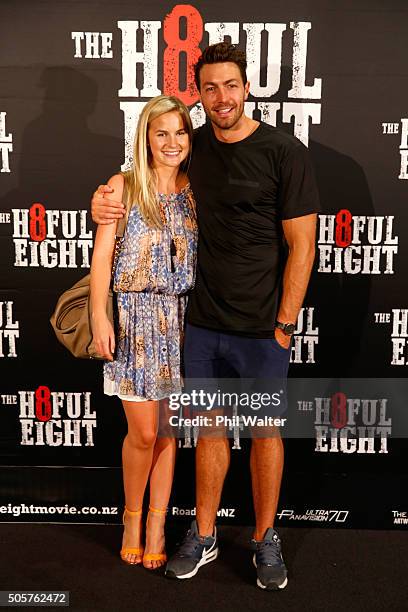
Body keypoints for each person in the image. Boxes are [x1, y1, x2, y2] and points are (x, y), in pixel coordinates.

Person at [91, 43, 319, 590]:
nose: (221, 98)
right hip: (200, 326)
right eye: (210, 88)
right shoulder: (196, 156)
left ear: (247, 87)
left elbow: (304, 245)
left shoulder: (282, 152)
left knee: (265, 431)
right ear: (201, 96)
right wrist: (102, 199)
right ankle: (205, 532)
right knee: (207, 432)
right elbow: (144, 175)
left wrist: (284, 324)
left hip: (263, 329)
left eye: (231, 86)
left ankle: (266, 539)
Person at [89, 95, 197, 570]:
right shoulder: (123, 187)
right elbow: (101, 260)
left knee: (169, 433)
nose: (172, 143)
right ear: (146, 138)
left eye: (180, 133)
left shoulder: (198, 190)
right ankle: (131, 516)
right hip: (134, 321)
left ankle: (157, 524)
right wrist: (99, 315)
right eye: (162, 133)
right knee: (144, 432)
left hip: (183, 322)